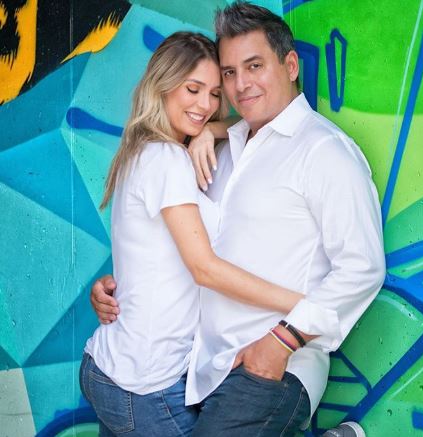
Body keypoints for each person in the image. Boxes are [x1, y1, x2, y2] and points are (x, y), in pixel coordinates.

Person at [91, 2, 386, 436]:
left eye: (254, 66)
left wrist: (283, 340)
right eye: (229, 72)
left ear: (290, 65)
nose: (240, 84)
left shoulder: (325, 152)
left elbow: (363, 267)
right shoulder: (221, 147)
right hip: (199, 367)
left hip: (273, 364)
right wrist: (122, 285)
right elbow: (173, 243)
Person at [80, 30, 313, 437]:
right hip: (144, 385)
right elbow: (204, 268)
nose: (205, 105)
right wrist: (304, 306)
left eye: (214, 94)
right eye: (193, 89)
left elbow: (260, 119)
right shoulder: (166, 158)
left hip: (110, 365)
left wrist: (213, 130)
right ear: (163, 84)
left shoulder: (141, 150)